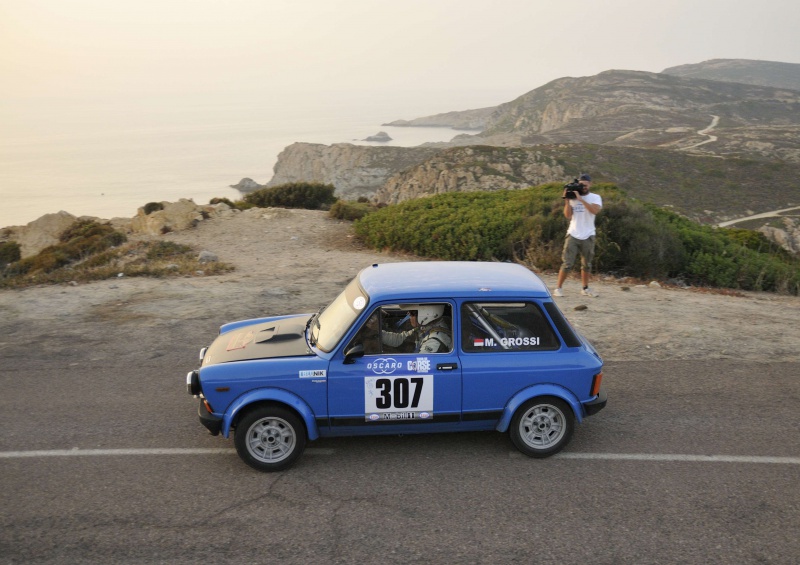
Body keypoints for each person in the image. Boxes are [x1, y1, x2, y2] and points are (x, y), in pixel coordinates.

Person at [553, 173, 603, 297]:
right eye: (581, 185)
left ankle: (585, 288)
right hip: (573, 233)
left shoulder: (595, 197)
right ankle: (558, 288)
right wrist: (567, 202)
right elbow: (568, 215)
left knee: (587, 263)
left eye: (585, 185)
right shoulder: (572, 197)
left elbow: (595, 211)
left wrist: (581, 200)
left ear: (590, 184)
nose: (583, 187)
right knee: (567, 263)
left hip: (588, 234)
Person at [381, 305, 452, 353]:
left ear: (426, 315)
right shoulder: (425, 328)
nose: (408, 315)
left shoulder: (434, 341)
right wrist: (378, 333)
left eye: (412, 313)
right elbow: (400, 338)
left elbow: (419, 365)